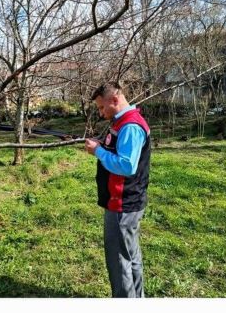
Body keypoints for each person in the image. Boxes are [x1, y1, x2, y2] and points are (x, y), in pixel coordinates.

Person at [85, 82, 152, 298]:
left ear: (115, 100)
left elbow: (126, 166)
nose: (101, 113)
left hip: (122, 204)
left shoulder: (130, 126)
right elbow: (119, 151)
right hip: (125, 202)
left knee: (118, 261)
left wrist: (98, 153)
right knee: (130, 255)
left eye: (102, 107)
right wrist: (102, 147)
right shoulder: (121, 122)